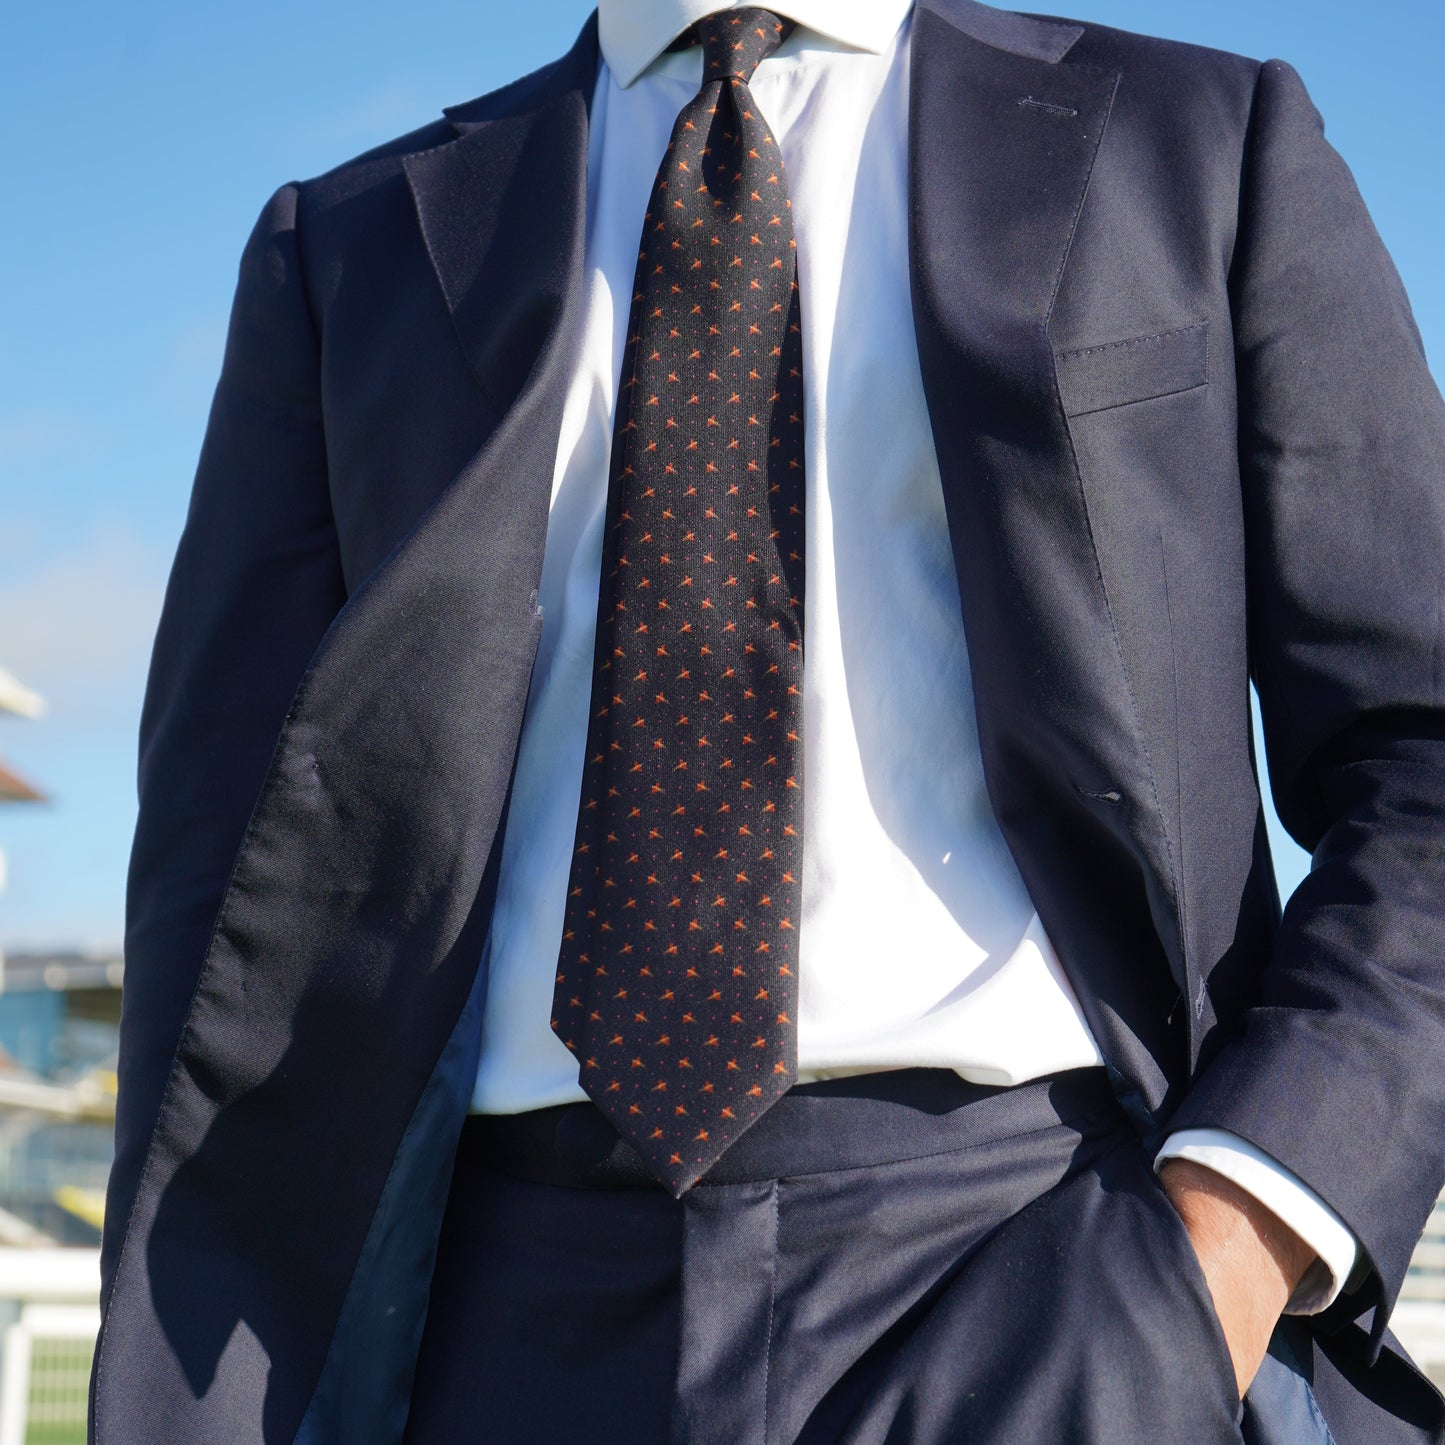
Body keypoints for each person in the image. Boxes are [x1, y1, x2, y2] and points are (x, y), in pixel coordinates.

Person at [93, 0, 1445, 1440]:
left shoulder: (1199, 141)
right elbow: (221, 876)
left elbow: (1418, 746)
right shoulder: (346, 242)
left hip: (1046, 1257)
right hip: (497, 1310)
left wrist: (1218, 1249)